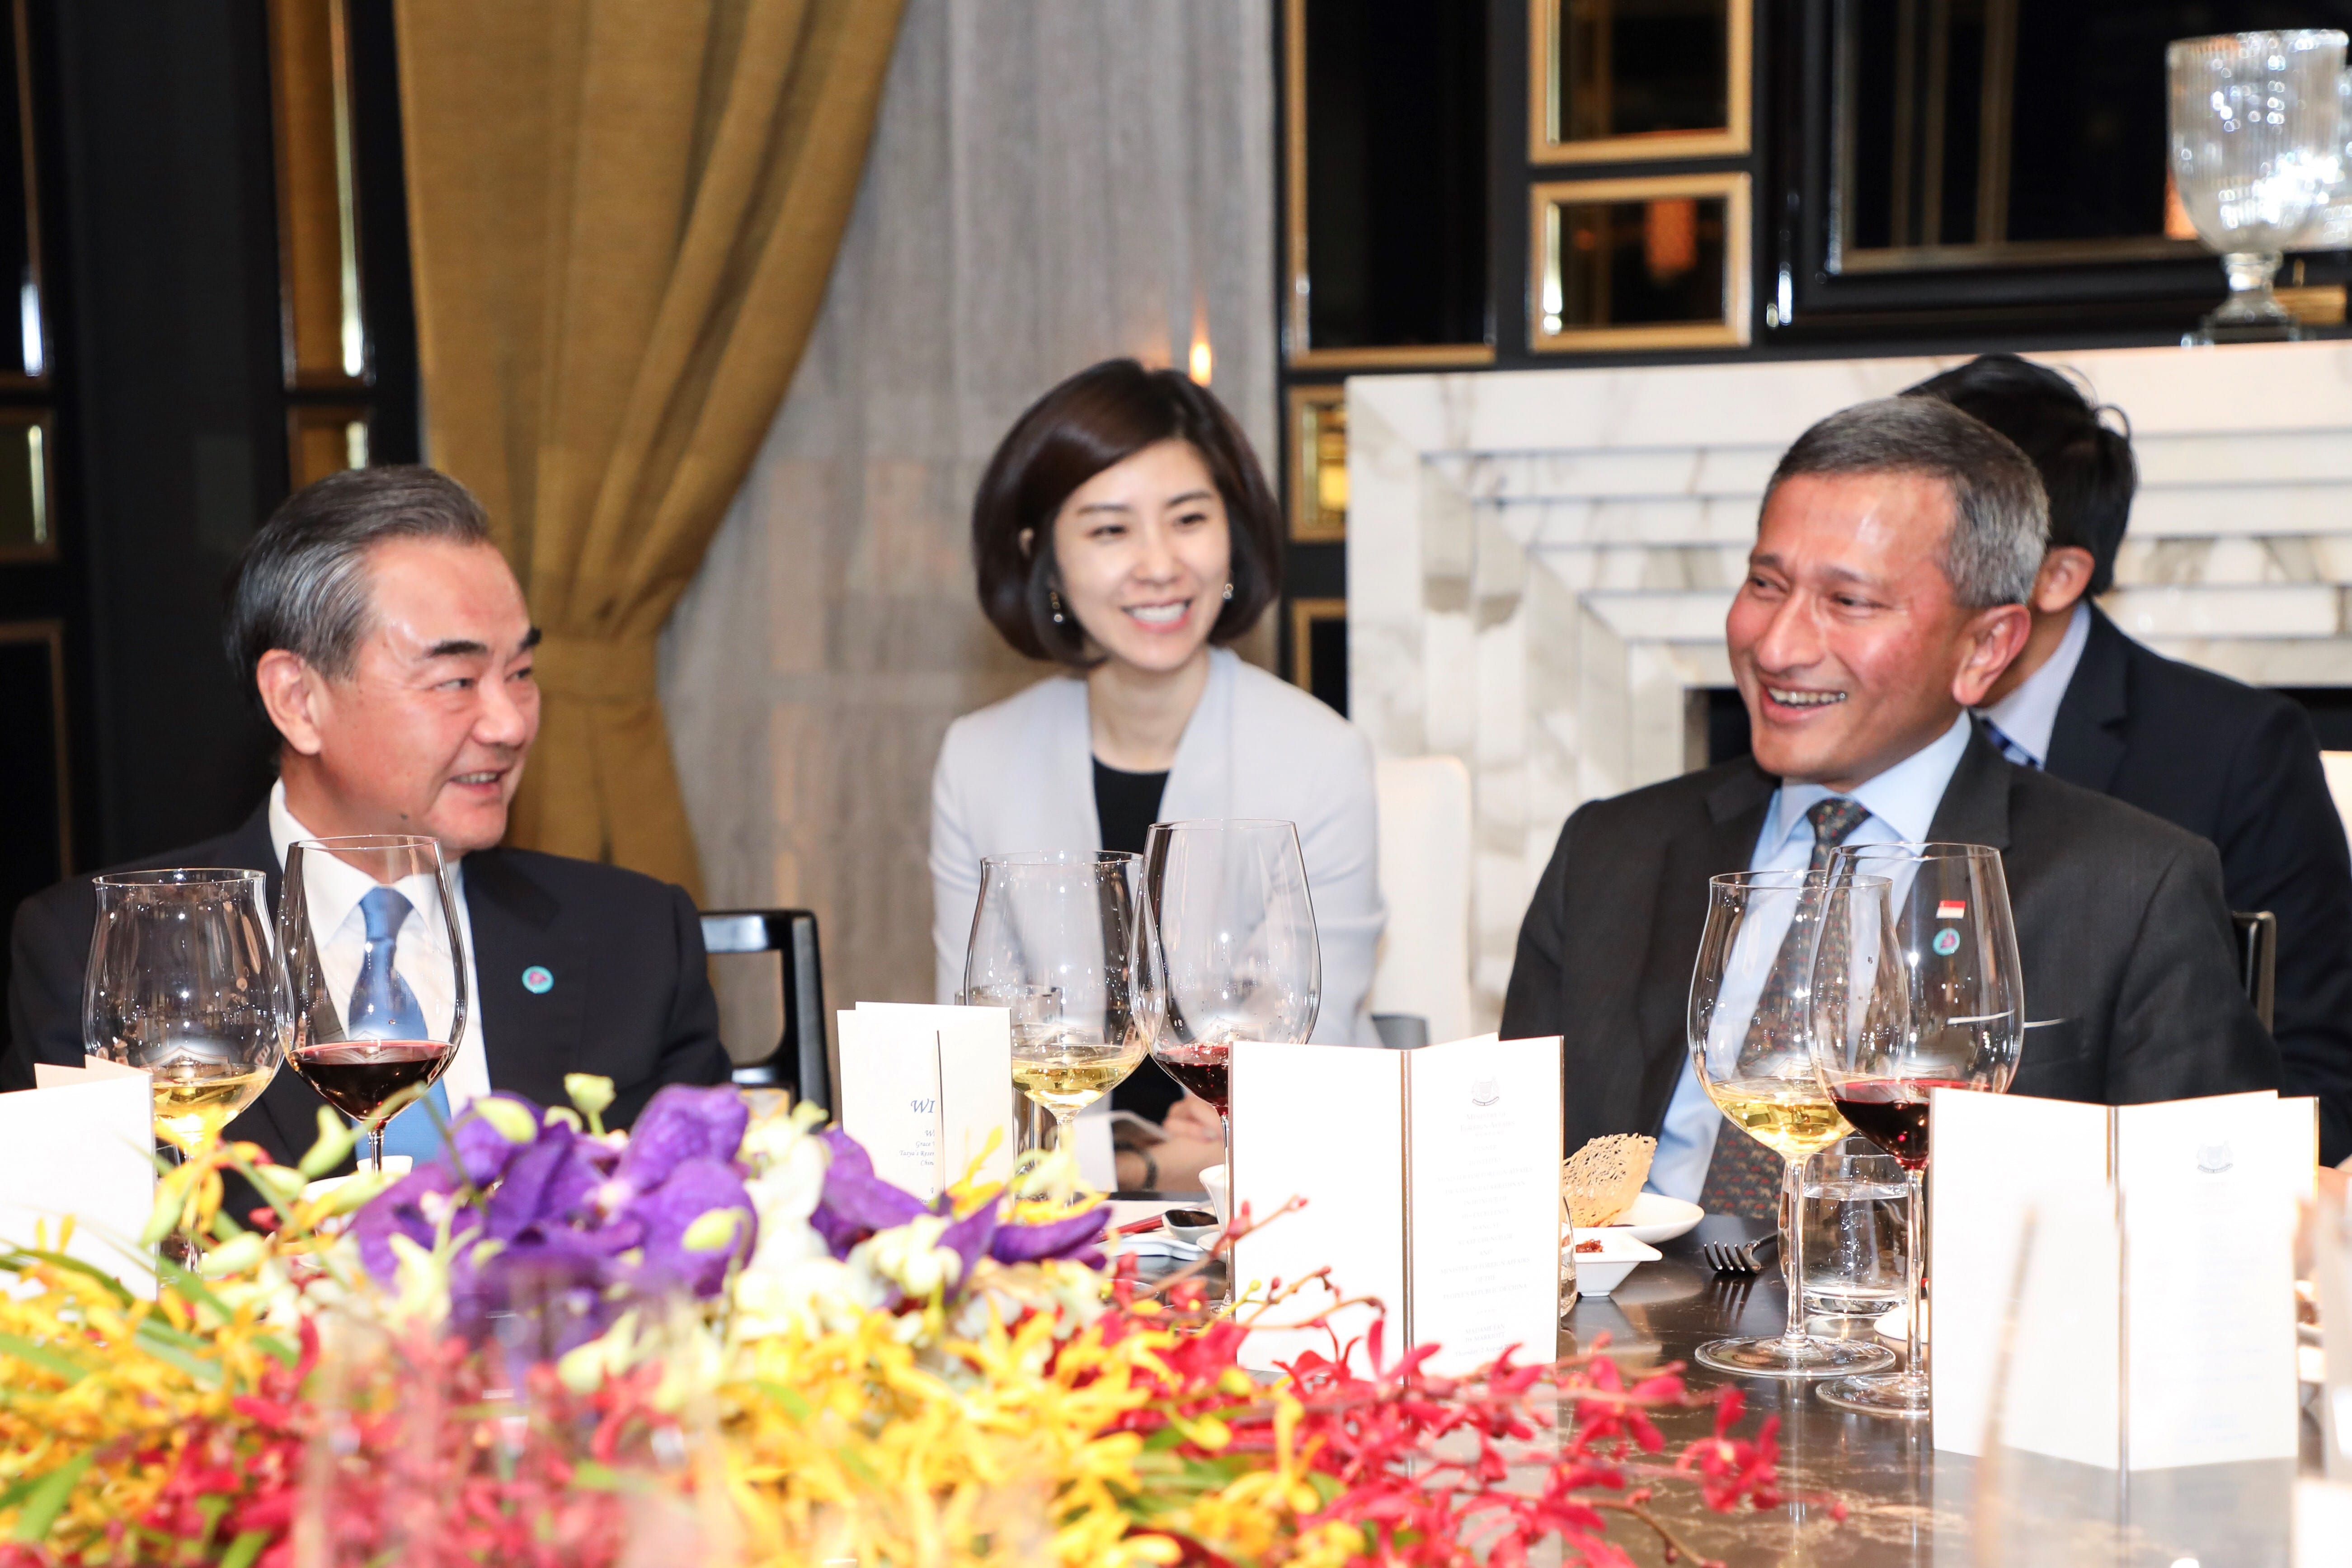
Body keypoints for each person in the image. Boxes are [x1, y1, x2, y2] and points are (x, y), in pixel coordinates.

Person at [1500, 397, 2278, 1219]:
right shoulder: (1610, 851)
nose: (1777, 646)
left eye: (1850, 602)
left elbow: (2211, 1230)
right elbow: (1508, 1176)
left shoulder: (2131, 889)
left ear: (1985, 649)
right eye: (1766, 584)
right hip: (1618, 1338)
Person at [5, 466, 730, 1187]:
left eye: (523, 671)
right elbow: (86, 1257)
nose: (509, 724)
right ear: (298, 700)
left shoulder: (635, 935)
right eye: (456, 681)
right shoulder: (105, 951)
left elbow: (701, 1220)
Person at [931, 359, 1384, 1193]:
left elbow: (1306, 1067)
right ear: (1046, 560)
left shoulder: (1319, 757)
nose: (1159, 564)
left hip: (1281, 1212)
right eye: (1110, 530)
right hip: (1059, 1225)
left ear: (1233, 538)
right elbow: (974, 1066)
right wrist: (1143, 1163)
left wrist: (1162, 1158)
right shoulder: (979, 759)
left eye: (1188, 519)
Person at [1906, 353, 2352, 1164]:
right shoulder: (1839, 736)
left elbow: (2318, 1083)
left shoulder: (2233, 752)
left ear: (2058, 575)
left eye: (1929, 544)